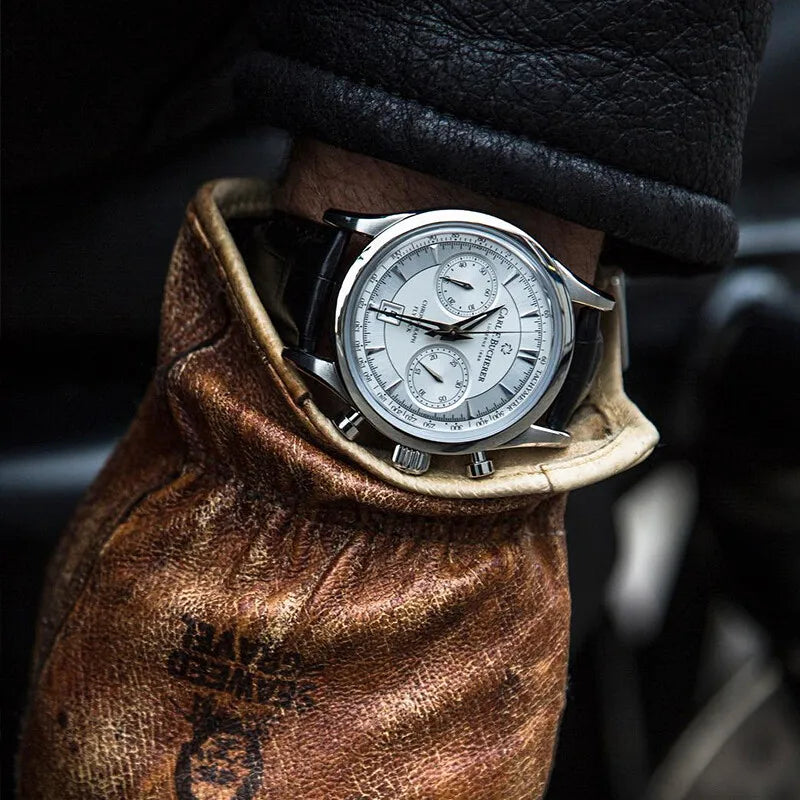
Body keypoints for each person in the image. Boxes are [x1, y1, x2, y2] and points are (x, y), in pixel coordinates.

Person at [18, 2, 771, 798]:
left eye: (462, 330)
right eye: (438, 326)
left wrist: (473, 164)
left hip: (410, 104)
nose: (448, 331)